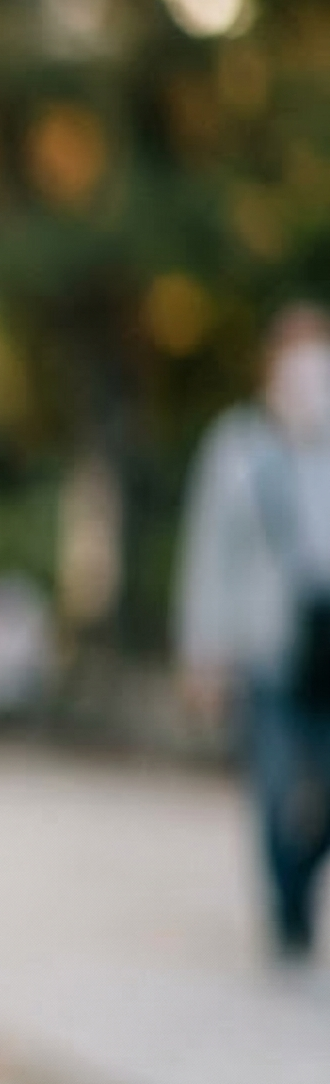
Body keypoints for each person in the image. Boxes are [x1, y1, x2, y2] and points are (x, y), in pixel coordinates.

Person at [177, 302, 330, 967]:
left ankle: (301, 881)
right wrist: (203, 652)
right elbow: (210, 553)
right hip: (266, 646)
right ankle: (287, 904)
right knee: (276, 783)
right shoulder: (235, 445)